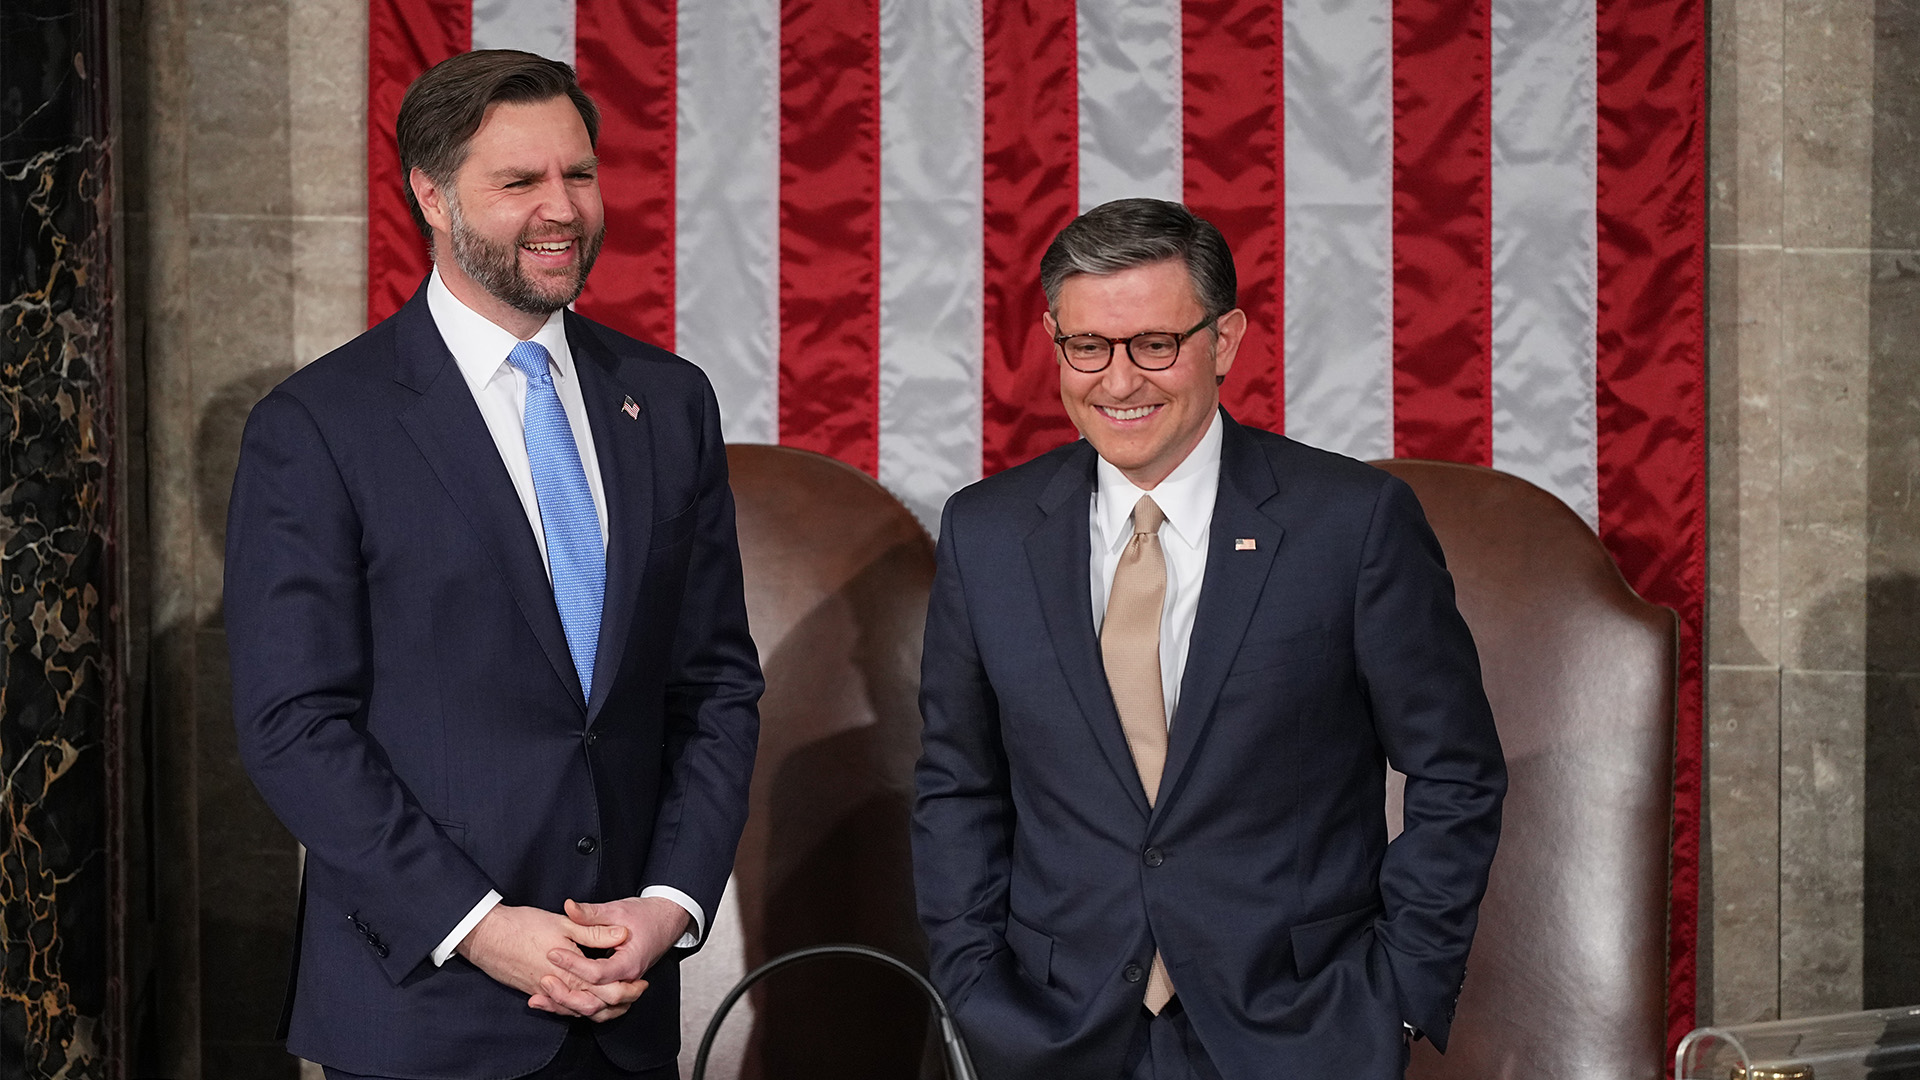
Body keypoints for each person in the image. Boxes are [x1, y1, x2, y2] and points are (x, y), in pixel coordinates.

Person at [225, 50, 761, 1080]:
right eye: (519, 183)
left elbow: (715, 685)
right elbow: (294, 725)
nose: (563, 210)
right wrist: (477, 926)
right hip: (424, 1011)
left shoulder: (669, 402)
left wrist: (670, 904)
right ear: (430, 194)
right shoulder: (321, 427)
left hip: (625, 1008)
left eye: (580, 175)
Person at [912, 198, 1507, 1080]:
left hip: (1298, 1031)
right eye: (1088, 347)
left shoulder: (1351, 525)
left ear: (1224, 340)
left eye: (1155, 344)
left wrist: (1400, 996)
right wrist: (973, 986)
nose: (1119, 382)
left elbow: (1456, 770)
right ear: (1053, 339)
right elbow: (956, 784)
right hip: (1049, 1033)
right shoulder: (985, 532)